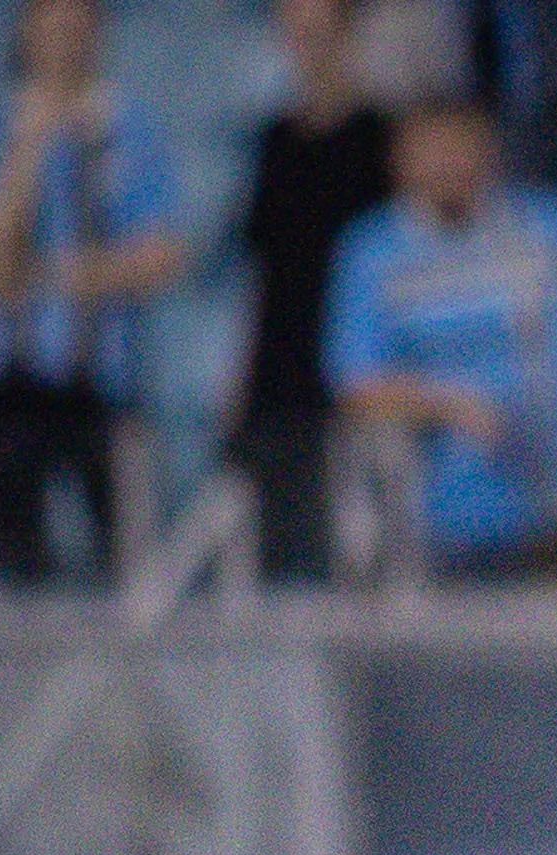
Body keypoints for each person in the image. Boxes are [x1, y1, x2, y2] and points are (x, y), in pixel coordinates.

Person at [324, 93, 557, 575]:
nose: (451, 162)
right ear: (401, 160)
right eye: (433, 149)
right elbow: (355, 385)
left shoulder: (547, 225)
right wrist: (450, 405)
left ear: (490, 151)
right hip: (445, 475)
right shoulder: (372, 251)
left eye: (463, 145)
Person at [0, 0, 184, 583]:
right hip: (11, 385)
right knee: (6, 570)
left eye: (78, 26)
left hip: (104, 382)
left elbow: (164, 254)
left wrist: (56, 274)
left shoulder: (131, 130)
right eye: (52, 25)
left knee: (126, 566)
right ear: (27, 33)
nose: (65, 41)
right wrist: (29, 145)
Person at [232, 0, 395, 580]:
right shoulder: (274, 138)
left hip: (359, 355)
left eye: (321, 32)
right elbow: (260, 265)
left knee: (360, 531)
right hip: (285, 353)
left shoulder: (381, 134)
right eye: (298, 34)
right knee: (281, 531)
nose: (310, 46)